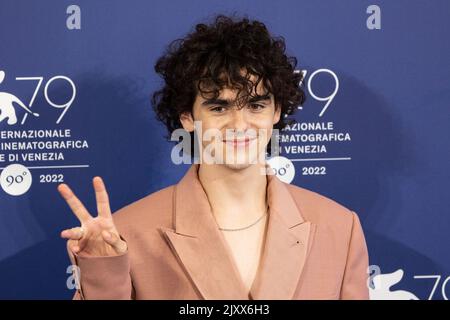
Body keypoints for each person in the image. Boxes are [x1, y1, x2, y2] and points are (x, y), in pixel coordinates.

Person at [58, 14, 369, 300]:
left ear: (276, 111)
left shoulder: (339, 228)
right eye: (219, 107)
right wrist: (103, 271)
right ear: (187, 117)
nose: (239, 124)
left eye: (256, 105)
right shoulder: (128, 234)